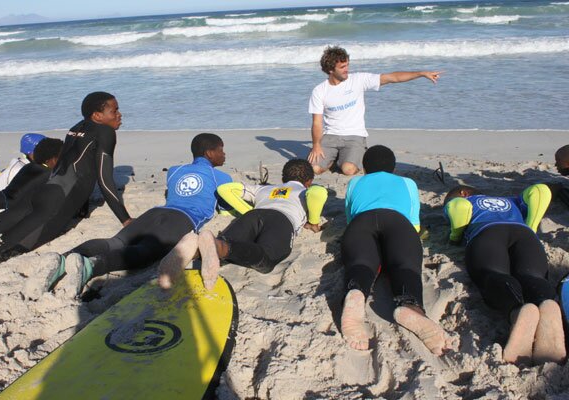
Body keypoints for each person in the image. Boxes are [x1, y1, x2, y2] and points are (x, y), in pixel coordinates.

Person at [0, 92, 131, 267]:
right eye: (114, 111)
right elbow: (105, 180)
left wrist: (82, 209)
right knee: (2, 249)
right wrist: (125, 219)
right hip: (56, 204)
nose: (119, 115)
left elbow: (71, 166)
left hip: (40, 194)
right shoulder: (105, 132)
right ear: (97, 115)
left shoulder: (76, 128)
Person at [34, 133, 232, 298]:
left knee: (115, 241)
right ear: (210, 153)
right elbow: (226, 205)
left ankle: (61, 259)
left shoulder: (175, 170)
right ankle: (90, 267)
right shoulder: (222, 177)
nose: (224, 155)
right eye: (222, 150)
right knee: (146, 251)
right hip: (182, 220)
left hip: (154, 213)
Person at [340, 145, 453, 356]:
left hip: (361, 223)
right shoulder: (407, 182)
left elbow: (350, 218)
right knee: (405, 265)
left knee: (361, 263)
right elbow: (414, 224)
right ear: (393, 169)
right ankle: (410, 305)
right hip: (397, 222)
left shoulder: (355, 182)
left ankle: (356, 292)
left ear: (364, 169)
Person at [157, 159, 328, 291]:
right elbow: (319, 193)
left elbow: (226, 189)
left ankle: (196, 246)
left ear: (283, 178)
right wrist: (313, 222)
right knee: (266, 261)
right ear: (309, 181)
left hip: (253, 216)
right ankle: (212, 244)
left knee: (224, 250)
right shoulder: (305, 191)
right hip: (282, 220)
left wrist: (246, 210)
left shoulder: (264, 189)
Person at [443, 183, 566, 365]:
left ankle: (518, 310)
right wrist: (531, 225)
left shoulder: (470, 201)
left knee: (493, 274)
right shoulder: (512, 201)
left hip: (486, 232)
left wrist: (454, 236)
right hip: (525, 235)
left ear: (463, 193)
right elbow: (540, 191)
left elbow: (458, 207)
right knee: (532, 276)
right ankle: (548, 304)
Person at [307, 46, 441, 176]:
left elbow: (392, 78)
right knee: (315, 169)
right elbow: (317, 123)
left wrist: (421, 73)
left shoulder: (358, 80)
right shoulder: (320, 91)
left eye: (347, 65)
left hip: (355, 136)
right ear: (330, 69)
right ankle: (334, 158)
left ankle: (349, 156)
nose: (347, 70)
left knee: (348, 170)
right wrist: (316, 145)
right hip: (331, 136)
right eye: (342, 67)